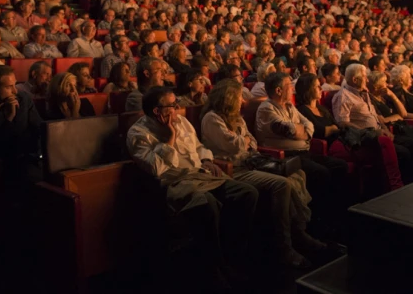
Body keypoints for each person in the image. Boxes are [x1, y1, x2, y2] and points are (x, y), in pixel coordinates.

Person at [127, 86, 259, 291]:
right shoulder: (138, 133)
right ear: (157, 110)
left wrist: (207, 160)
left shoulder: (182, 121)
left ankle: (233, 257)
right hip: (175, 183)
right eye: (172, 105)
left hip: (200, 175)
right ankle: (214, 270)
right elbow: (156, 168)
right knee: (208, 205)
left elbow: (198, 147)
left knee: (247, 193)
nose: (177, 108)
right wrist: (169, 138)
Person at [200, 80, 324, 268]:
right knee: (282, 184)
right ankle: (285, 247)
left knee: (297, 174)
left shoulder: (236, 117)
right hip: (233, 169)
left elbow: (251, 141)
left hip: (250, 162)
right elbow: (234, 144)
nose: (243, 100)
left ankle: (298, 233)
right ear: (229, 99)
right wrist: (245, 141)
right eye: (239, 97)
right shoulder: (211, 118)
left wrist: (245, 140)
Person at [255, 72, 348, 220]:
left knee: (340, 166)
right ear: (279, 91)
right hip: (286, 156)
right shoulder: (266, 109)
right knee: (321, 173)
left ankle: (337, 211)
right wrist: (300, 130)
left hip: (304, 152)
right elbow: (290, 130)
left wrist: (301, 131)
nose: (292, 89)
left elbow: (309, 125)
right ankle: (320, 218)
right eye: (289, 86)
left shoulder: (289, 107)